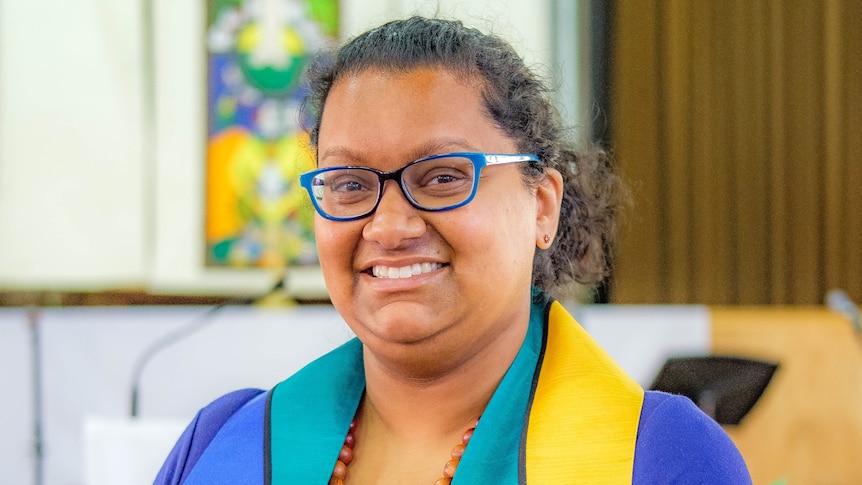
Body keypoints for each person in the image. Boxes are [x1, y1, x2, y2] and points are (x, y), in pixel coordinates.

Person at [155, 16, 751, 484]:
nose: (388, 226)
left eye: (442, 176)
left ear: (541, 205)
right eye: (350, 184)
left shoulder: (658, 460)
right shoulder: (226, 446)